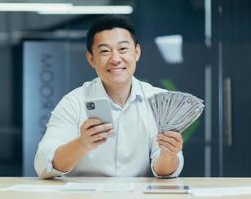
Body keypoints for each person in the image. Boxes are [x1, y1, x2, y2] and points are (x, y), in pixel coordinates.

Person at [34, 15, 184, 178]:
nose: (115, 59)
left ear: (137, 52)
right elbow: (43, 164)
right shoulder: (74, 102)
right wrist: (82, 144)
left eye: (123, 49)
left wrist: (168, 155)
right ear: (91, 59)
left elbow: (165, 171)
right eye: (105, 51)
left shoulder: (160, 101)